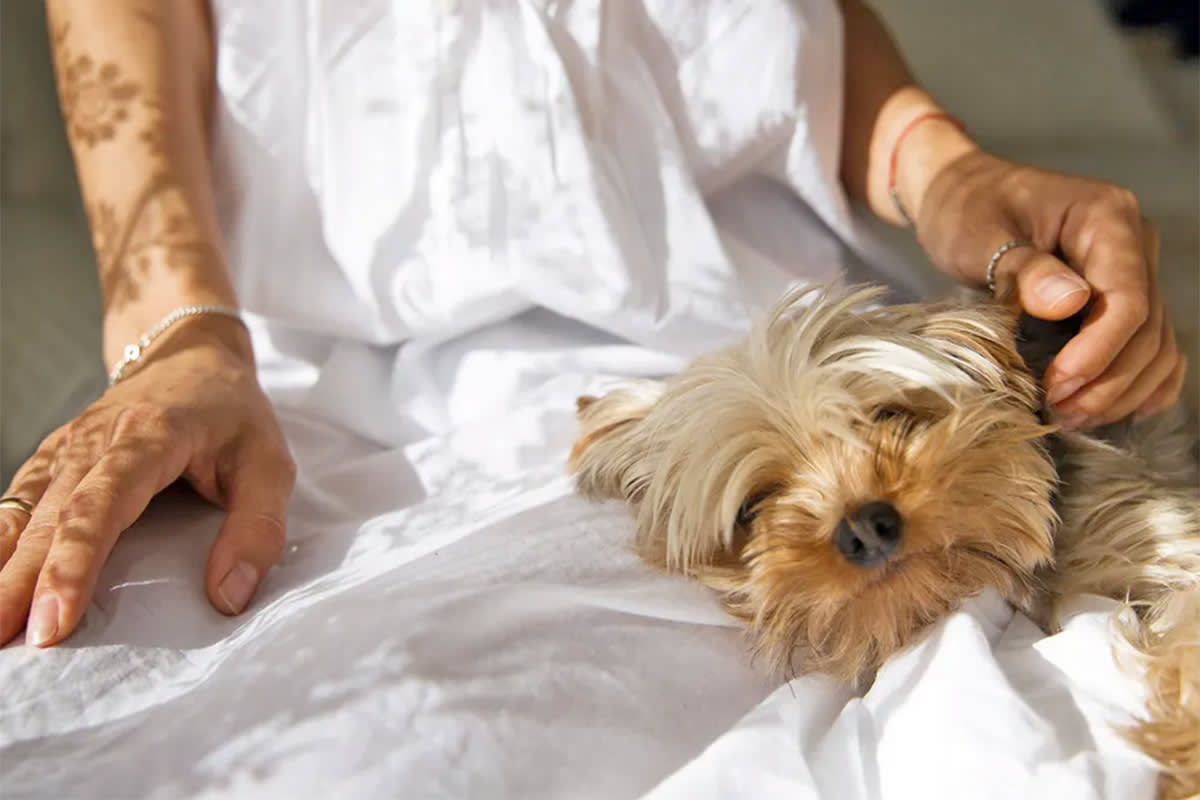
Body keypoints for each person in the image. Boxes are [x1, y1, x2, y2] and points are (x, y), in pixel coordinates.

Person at [0, 0, 1185, 650]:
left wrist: (937, 166)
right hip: (307, 398)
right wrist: (180, 328)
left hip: (757, 317)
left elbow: (780, 37)